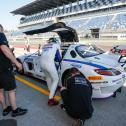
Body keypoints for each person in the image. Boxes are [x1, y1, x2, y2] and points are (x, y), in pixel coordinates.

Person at [0, 24, 27, 117]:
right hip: (4, 69)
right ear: (1, 28)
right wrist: (16, 62)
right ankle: (15, 110)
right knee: (12, 90)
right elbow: (4, 48)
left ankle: (5, 108)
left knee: (0, 91)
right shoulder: (0, 34)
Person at [40, 37, 62, 106]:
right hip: (49, 64)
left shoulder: (44, 45)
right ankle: (51, 99)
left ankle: (50, 90)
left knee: (48, 77)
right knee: (56, 80)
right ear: (56, 41)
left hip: (41, 64)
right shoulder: (56, 45)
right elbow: (59, 58)